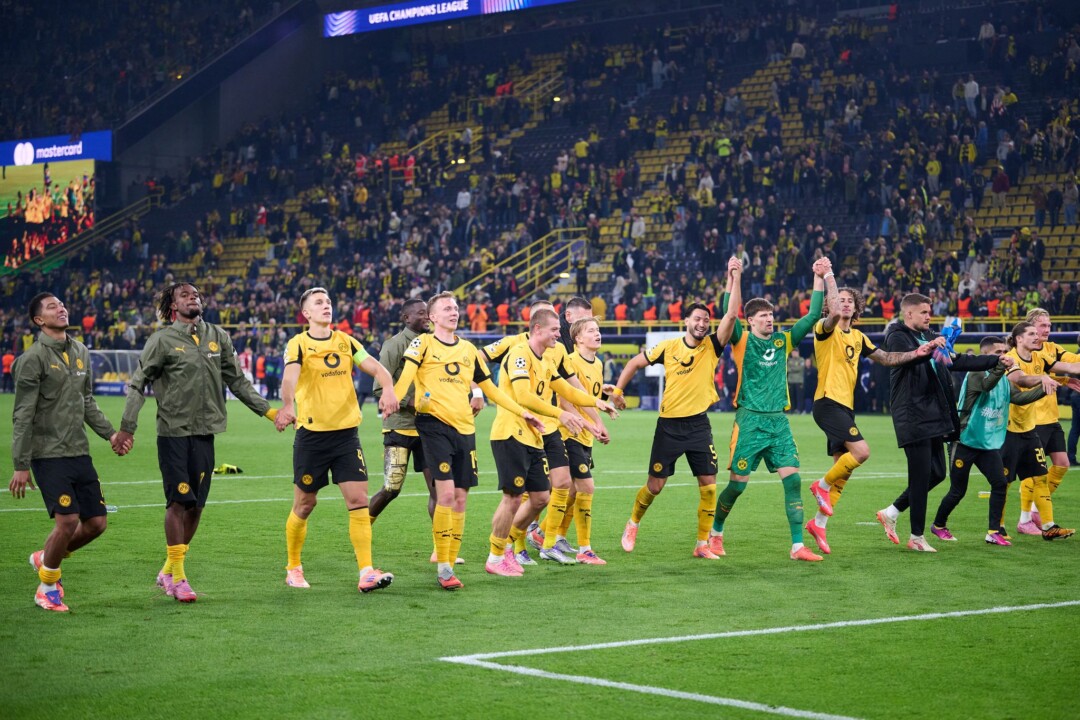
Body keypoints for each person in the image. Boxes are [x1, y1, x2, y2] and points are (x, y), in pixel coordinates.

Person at [115, 283, 277, 602]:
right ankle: (178, 577)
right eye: (185, 295)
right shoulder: (161, 340)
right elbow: (137, 385)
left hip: (205, 433)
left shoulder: (217, 336)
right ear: (173, 306)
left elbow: (238, 381)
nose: (193, 298)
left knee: (196, 507)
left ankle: (167, 570)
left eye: (196, 295)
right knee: (178, 503)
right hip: (173, 433)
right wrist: (127, 428)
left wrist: (270, 412)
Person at [392, 292, 545, 590]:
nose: (454, 312)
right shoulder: (422, 344)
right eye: (447, 308)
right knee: (447, 495)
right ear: (432, 317)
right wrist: (392, 398)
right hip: (433, 425)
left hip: (464, 429)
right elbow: (406, 378)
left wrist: (522, 412)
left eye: (455, 308)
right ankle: (444, 567)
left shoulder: (469, 350)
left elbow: (492, 389)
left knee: (461, 498)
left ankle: (450, 561)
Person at [274, 287, 400, 592]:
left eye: (329, 301)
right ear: (306, 313)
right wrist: (288, 405)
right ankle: (293, 567)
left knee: (358, 501)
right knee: (305, 503)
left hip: (346, 437)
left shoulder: (346, 341)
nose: (326, 306)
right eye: (319, 302)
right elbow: (289, 378)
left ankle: (366, 571)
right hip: (312, 438)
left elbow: (376, 368)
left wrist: (388, 389)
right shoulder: (298, 344)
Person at [10, 293, 127, 612]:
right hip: (47, 453)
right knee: (67, 521)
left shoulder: (81, 351)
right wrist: (21, 464)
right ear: (38, 320)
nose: (61, 308)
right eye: (52, 307)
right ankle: (47, 587)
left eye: (61, 304)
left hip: (79, 450)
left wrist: (111, 434)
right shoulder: (32, 359)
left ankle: (45, 557)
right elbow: (22, 414)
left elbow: (86, 401)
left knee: (96, 523)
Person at [610, 263, 736, 559]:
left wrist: (733, 277)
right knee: (655, 486)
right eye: (697, 319)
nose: (702, 324)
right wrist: (617, 392)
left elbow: (731, 315)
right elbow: (634, 363)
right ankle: (633, 522)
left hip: (698, 426)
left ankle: (701, 544)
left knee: (709, 486)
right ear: (686, 321)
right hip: (669, 427)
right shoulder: (668, 347)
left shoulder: (712, 346)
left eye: (706, 320)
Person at [804, 284, 941, 555]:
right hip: (827, 402)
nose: (845, 304)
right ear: (831, 305)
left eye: (850, 301)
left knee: (843, 470)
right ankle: (821, 485)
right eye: (840, 300)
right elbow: (832, 316)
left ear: (857, 308)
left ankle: (818, 524)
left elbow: (887, 358)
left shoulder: (858, 337)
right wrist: (828, 276)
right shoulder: (824, 329)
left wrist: (917, 353)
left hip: (846, 408)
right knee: (862, 452)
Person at [707, 257, 828, 562]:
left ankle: (797, 546)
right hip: (749, 421)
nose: (769, 320)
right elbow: (729, 313)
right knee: (737, 487)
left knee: (793, 481)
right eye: (763, 316)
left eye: (771, 315)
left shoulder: (783, 340)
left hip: (778, 423)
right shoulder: (741, 340)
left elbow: (813, 315)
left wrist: (818, 277)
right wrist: (733, 277)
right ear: (750, 320)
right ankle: (716, 532)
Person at [485, 309, 614, 576]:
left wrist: (597, 403)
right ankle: (497, 555)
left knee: (541, 497)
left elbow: (567, 390)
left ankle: (509, 544)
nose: (559, 334)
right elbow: (523, 396)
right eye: (555, 329)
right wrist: (560, 414)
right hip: (511, 433)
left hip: (535, 435)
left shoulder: (545, 360)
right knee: (512, 498)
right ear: (537, 329)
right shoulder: (519, 354)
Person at [874, 294, 1001, 553]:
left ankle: (892, 512)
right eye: (923, 312)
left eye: (929, 312)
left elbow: (956, 361)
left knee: (938, 474)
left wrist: (996, 361)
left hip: (934, 413)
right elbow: (910, 357)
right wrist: (932, 347)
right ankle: (916, 537)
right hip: (913, 414)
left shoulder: (930, 335)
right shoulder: (897, 335)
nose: (928, 316)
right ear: (908, 314)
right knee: (920, 477)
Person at [931, 337, 1046, 546]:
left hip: (987, 443)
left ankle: (993, 531)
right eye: (998, 352)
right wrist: (1001, 367)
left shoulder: (1004, 378)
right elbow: (986, 386)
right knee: (958, 490)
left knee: (999, 483)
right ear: (984, 355)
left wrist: (1045, 388)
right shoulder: (976, 373)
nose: (1003, 355)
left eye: (1005, 351)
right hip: (965, 440)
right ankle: (938, 525)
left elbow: (1019, 399)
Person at [1002, 321, 1079, 539]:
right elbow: (1019, 379)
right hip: (1010, 429)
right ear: (1019, 339)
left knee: (1041, 476)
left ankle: (1048, 526)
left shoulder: (1040, 356)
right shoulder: (1010, 358)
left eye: (1039, 332)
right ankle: (997, 528)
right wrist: (1043, 378)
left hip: (1030, 429)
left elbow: (1070, 367)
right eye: (1032, 333)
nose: (1038, 336)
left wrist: (1056, 376)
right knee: (1004, 482)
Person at [367, 299, 437, 528]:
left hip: (430, 427)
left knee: (439, 489)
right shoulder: (394, 345)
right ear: (406, 318)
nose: (427, 317)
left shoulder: (435, 343)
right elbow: (379, 387)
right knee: (391, 488)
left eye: (428, 313)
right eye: (421, 313)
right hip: (400, 427)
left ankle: (441, 545)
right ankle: (362, 528)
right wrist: (410, 402)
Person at [560, 315, 613, 564]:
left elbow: (591, 397)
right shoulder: (570, 362)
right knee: (586, 487)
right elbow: (565, 399)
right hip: (569, 433)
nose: (597, 333)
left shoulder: (598, 363)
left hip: (586, 436)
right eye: (591, 330)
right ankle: (584, 549)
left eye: (598, 329)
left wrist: (598, 423)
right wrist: (590, 424)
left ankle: (551, 536)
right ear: (578, 338)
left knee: (572, 491)